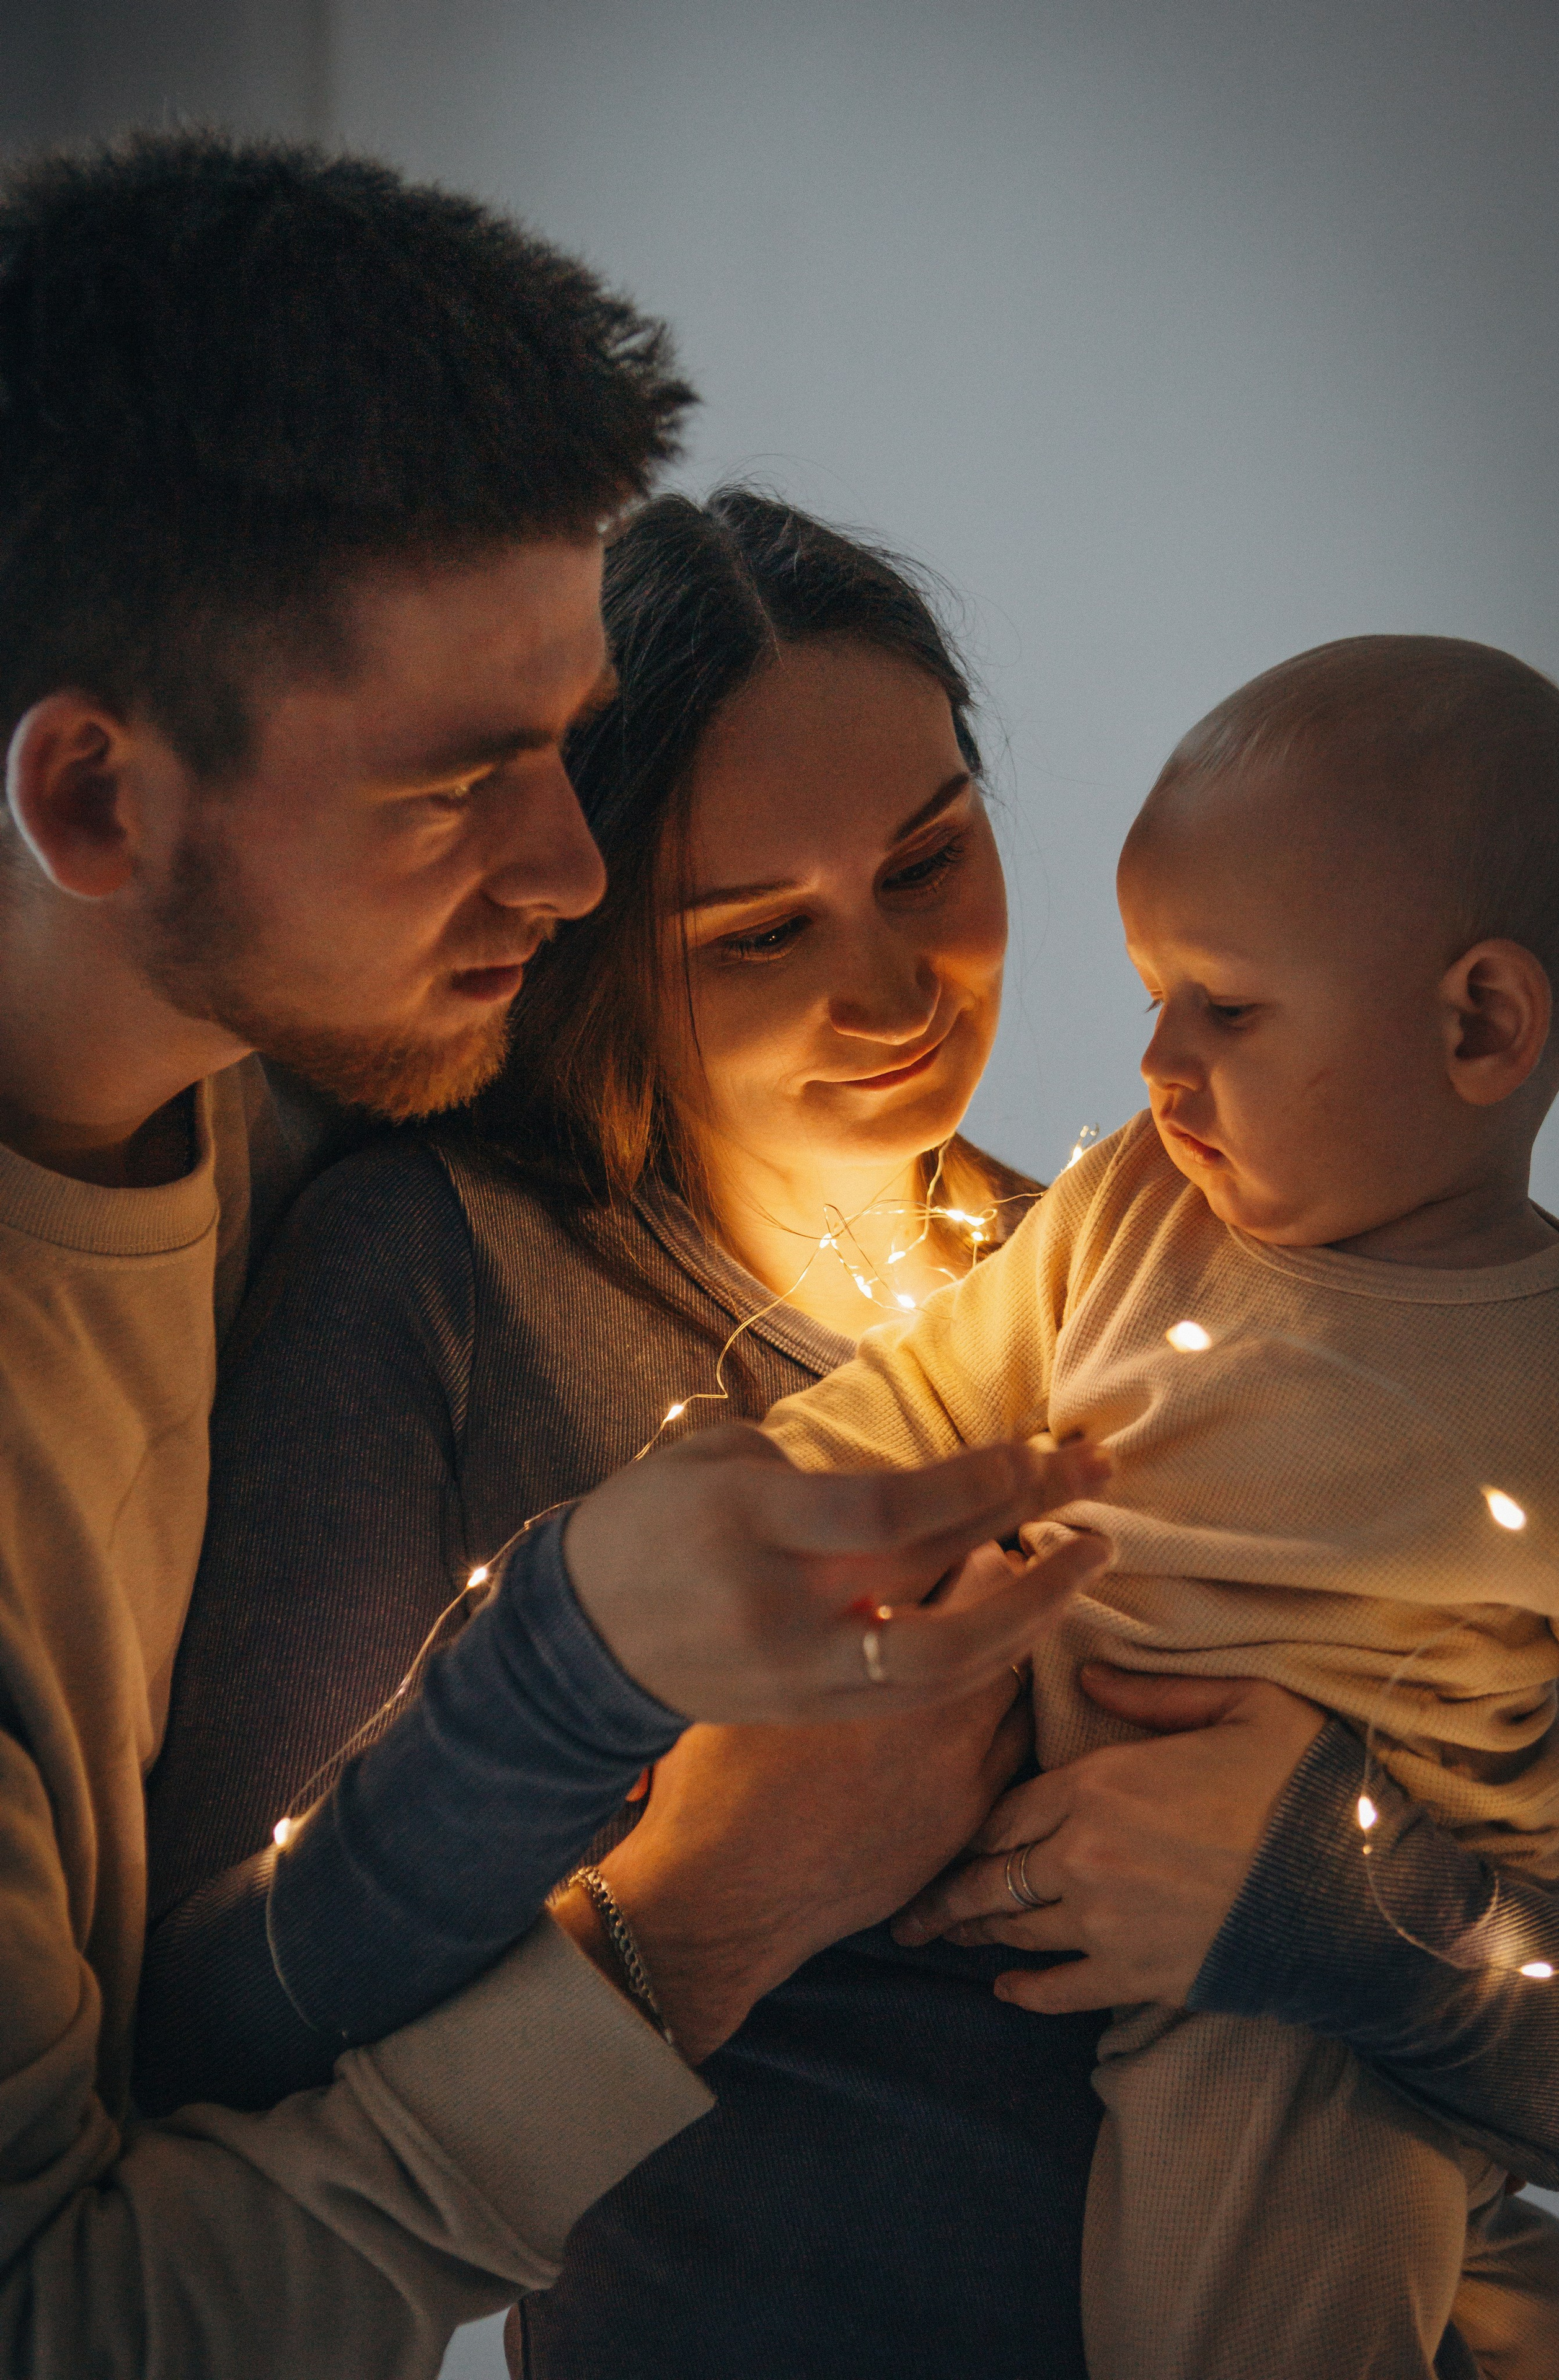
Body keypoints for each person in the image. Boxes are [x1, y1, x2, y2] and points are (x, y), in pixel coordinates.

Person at [144, 512, 1559, 2379]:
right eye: (759, 933)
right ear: (586, 940)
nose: (898, 995)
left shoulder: (1173, 1261)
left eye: (929, 861)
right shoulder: (445, 1278)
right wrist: (685, 1907)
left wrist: (1332, 1892)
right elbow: (203, 2036)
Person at [0, 135, 1102, 2380]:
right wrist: (667, 1863)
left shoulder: (332, 1057)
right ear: (101, 808)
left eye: (573, 745)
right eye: (462, 779)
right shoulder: (416, 1250)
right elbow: (86, 2301)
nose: (581, 875)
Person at [766, 633, 1559, 2378]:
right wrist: (769, 1511)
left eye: (1224, 1004)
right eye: (1151, 993)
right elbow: (926, 1396)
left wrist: (1374, 1908)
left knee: (1235, 2321)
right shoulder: (1136, 1206)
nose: (1156, 1058)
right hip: (1073, 1889)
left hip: (1302, 2023)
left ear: (1480, 1023)